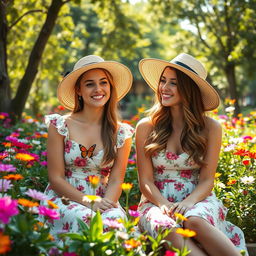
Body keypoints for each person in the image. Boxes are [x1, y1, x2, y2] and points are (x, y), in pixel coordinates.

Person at [135, 53, 248, 256]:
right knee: (166, 226)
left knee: (194, 220)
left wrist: (188, 203)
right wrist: (163, 205)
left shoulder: (211, 127)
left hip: (197, 198)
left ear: (189, 90)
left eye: (174, 83)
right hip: (156, 201)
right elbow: (145, 181)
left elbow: (207, 180)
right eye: (163, 81)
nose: (164, 88)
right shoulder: (146, 127)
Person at [42, 55, 134, 241]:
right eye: (90, 84)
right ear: (78, 90)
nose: (98, 89)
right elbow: (55, 178)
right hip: (65, 197)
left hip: (104, 199)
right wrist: (87, 201)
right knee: (85, 219)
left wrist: (106, 204)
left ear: (110, 87)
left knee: (113, 222)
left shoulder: (121, 132)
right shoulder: (60, 125)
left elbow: (116, 180)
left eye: (103, 83)